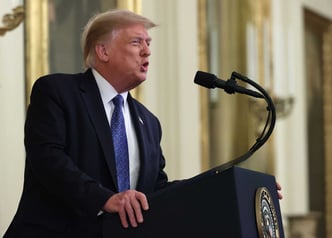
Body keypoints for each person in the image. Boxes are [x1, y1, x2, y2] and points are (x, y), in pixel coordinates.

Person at [4, 8, 282, 238]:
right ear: (103, 51)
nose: (147, 52)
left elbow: (156, 192)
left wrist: (228, 189)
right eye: (136, 42)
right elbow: (48, 159)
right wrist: (104, 198)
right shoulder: (57, 91)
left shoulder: (148, 122)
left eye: (148, 44)